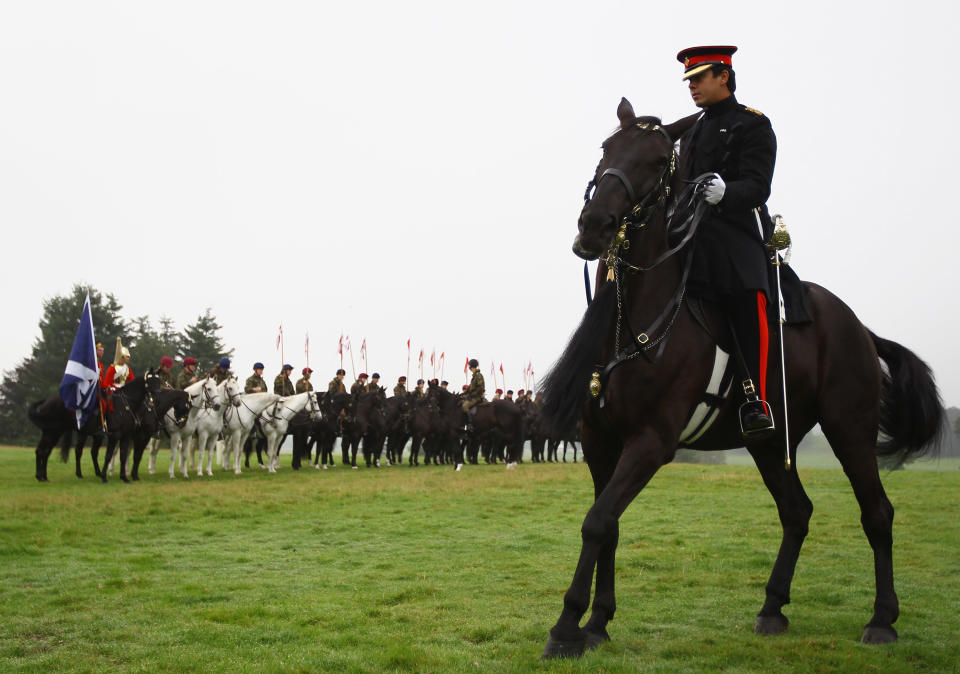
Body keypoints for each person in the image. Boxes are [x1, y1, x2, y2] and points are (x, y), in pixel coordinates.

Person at [677, 45, 776, 437]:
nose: (692, 87)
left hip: (736, 235)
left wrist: (726, 193)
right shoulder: (693, 130)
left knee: (745, 297)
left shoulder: (753, 124)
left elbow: (758, 186)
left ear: (723, 76)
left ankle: (756, 397)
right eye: (689, 81)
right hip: (693, 235)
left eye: (699, 78)